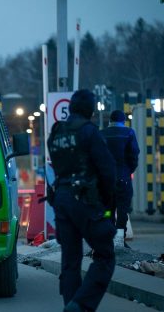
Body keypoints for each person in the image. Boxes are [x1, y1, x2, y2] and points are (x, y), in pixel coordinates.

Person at [46, 89, 117, 312]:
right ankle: (81, 304)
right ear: (91, 110)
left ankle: (71, 305)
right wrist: (107, 205)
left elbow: (57, 167)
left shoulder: (56, 132)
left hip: (61, 200)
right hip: (86, 201)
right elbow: (108, 172)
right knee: (105, 255)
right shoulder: (89, 132)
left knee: (70, 260)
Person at [100, 110, 140, 249]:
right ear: (123, 121)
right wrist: (128, 170)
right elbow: (134, 155)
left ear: (110, 121)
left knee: (107, 210)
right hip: (123, 178)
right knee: (123, 210)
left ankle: (107, 239)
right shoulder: (129, 133)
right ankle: (119, 241)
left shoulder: (102, 134)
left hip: (105, 181)